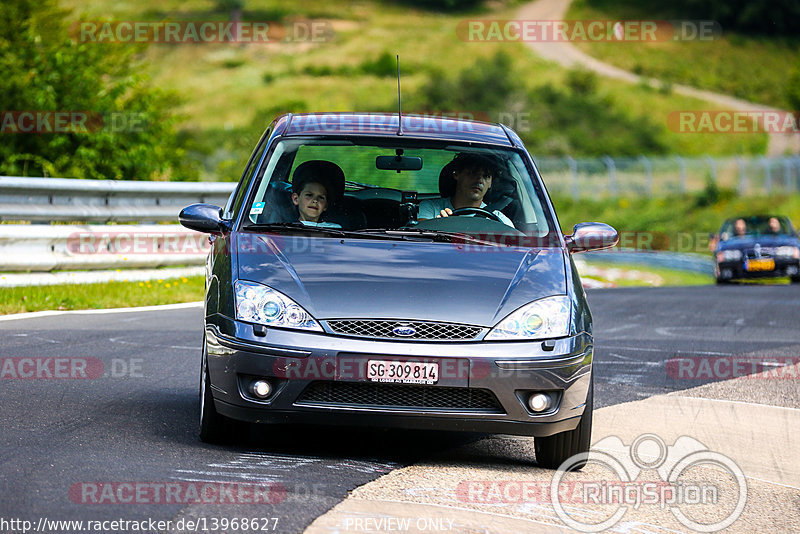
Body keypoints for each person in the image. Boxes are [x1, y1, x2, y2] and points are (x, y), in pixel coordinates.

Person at [418, 153, 514, 228]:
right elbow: (417, 238)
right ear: (456, 174)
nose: (480, 180)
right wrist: (437, 226)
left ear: (490, 183)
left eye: (486, 176)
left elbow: (515, 248)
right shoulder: (430, 208)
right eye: (473, 173)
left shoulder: (500, 221)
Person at [291, 160, 343, 228]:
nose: (315, 200)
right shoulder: (284, 227)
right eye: (309, 195)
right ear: (296, 199)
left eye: (321, 197)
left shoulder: (334, 229)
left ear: (325, 206)